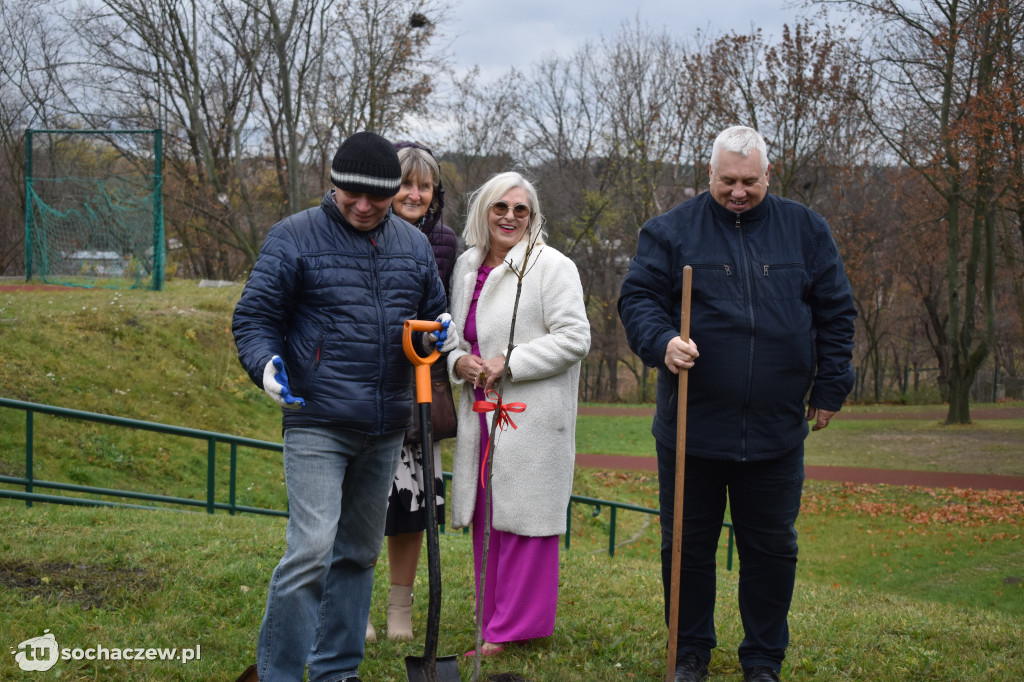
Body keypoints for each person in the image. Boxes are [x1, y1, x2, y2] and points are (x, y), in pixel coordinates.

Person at [617, 126, 856, 682]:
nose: (740, 191)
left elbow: (836, 311)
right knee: (687, 549)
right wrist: (662, 343)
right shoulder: (671, 231)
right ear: (710, 176)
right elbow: (638, 298)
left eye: (750, 181)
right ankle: (690, 653)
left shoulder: (805, 231)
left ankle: (763, 659)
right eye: (728, 181)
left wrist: (831, 385)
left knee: (772, 550)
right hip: (693, 429)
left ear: (768, 175)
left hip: (776, 432)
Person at [231, 131, 455, 682]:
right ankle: (279, 672)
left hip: (385, 424)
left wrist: (437, 335)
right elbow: (254, 318)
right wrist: (265, 365)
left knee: (357, 553)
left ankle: (336, 670)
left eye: (374, 197)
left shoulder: (413, 245)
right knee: (310, 551)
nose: (360, 205)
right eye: (348, 193)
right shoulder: (294, 236)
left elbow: (430, 315)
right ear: (333, 185)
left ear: (391, 192)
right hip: (317, 419)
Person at [446, 171, 591, 656]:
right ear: (483, 212)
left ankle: (511, 630)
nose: (509, 217)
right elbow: (456, 337)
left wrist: (510, 362)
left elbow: (575, 337)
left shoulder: (552, 266)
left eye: (520, 210)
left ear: (532, 217)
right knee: (488, 517)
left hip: (532, 417)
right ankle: (491, 620)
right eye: (500, 208)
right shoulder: (467, 266)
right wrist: (458, 361)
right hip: (481, 413)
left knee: (525, 521)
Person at [366, 141, 458, 643]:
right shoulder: (364, 231)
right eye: (405, 183)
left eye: (425, 185)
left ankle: (400, 610)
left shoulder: (444, 244)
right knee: (365, 506)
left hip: (422, 391)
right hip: (370, 388)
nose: (415, 193)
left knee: (413, 511)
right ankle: (356, 605)